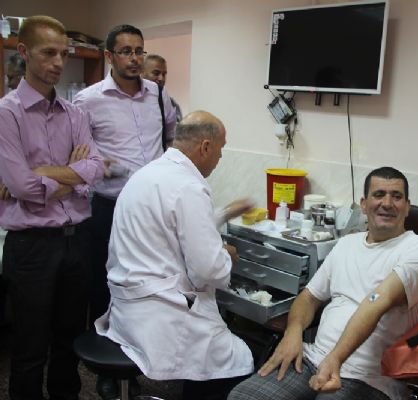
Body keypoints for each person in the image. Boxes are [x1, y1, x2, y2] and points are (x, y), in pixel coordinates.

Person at [229, 167, 418, 400]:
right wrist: (293, 332)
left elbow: (376, 302)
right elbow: (309, 297)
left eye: (396, 196)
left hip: (368, 379)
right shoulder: (347, 244)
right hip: (312, 359)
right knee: (242, 396)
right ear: (363, 204)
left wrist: (335, 359)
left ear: (407, 207)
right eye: (379, 195)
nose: (387, 203)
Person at [95, 110, 254, 400]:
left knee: (216, 352)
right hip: (160, 317)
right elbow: (207, 270)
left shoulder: (149, 174)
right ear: (205, 147)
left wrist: (225, 213)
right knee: (239, 359)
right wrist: (225, 254)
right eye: (221, 149)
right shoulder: (190, 186)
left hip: (128, 311)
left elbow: (170, 223)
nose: (220, 158)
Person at [0, 15, 104, 400]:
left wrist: (45, 173)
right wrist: (71, 176)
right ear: (24, 52)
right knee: (29, 348)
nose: (58, 62)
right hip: (33, 247)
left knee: (69, 342)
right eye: (48, 53)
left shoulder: (75, 113)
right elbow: (21, 185)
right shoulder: (7, 113)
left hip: (77, 241)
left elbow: (96, 167)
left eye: (64, 53)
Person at [72, 23, 178, 399]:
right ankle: (106, 367)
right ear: (109, 56)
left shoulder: (159, 95)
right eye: (126, 51)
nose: (134, 59)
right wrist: (103, 166)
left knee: (143, 287)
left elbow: (171, 139)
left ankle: (135, 365)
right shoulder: (88, 100)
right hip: (109, 208)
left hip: (150, 211)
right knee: (106, 287)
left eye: (139, 51)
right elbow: (79, 153)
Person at [142, 53, 183, 122]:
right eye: (156, 73)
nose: (161, 78)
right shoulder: (132, 99)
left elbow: (176, 127)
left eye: (164, 74)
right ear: (142, 73)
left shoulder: (172, 104)